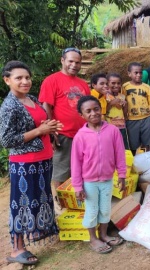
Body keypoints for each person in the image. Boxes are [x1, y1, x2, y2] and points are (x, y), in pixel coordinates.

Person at [1, 61, 63, 265]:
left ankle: (35, 232)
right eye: (18, 78)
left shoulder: (32, 99)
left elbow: (38, 123)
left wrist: (49, 126)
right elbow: (6, 140)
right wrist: (39, 131)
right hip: (24, 163)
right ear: (7, 80)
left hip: (43, 158)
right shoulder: (10, 106)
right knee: (22, 204)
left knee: (39, 198)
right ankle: (17, 249)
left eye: (27, 77)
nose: (25, 81)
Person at [71, 96, 126, 254]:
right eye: (88, 111)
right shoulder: (80, 136)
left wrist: (121, 175)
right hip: (89, 183)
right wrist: (77, 186)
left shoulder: (113, 131)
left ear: (101, 109)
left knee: (105, 209)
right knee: (92, 209)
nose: (93, 113)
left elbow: (120, 154)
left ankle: (103, 234)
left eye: (96, 109)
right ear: (82, 115)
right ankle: (93, 238)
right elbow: (76, 163)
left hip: (107, 179)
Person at [39, 47, 90, 193]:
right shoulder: (51, 80)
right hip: (63, 134)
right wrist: (52, 130)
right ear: (62, 60)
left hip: (83, 134)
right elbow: (46, 106)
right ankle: (61, 201)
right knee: (62, 170)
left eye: (78, 62)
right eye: (71, 61)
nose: (74, 65)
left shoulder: (82, 84)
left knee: (82, 168)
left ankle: (78, 198)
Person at [122, 62, 150, 155]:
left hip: (147, 119)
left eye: (140, 72)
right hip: (131, 120)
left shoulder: (146, 87)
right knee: (133, 144)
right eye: (135, 72)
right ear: (129, 74)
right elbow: (123, 101)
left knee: (148, 143)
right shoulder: (125, 87)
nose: (139, 75)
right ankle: (134, 161)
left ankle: (147, 160)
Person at [106, 73, 129, 149]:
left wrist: (125, 105)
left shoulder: (122, 96)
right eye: (113, 83)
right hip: (109, 126)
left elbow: (124, 112)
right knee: (111, 146)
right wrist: (111, 103)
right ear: (107, 84)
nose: (116, 85)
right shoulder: (105, 96)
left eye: (118, 83)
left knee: (122, 146)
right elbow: (104, 111)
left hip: (121, 126)